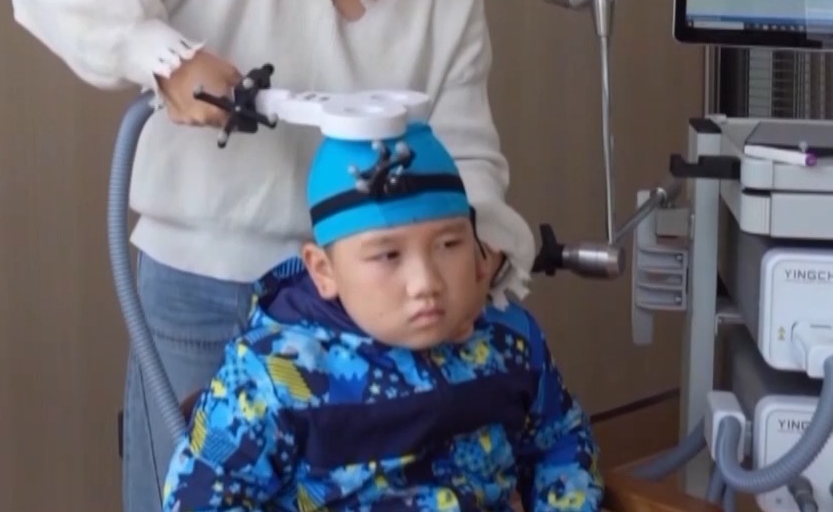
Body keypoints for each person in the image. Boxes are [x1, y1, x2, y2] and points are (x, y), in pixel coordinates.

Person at [2, 0, 538, 512]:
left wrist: (476, 256)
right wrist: (161, 54)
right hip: (198, 297)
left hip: (358, 308)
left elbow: (465, 156)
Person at [160, 123, 600, 511]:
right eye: (388, 255)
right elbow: (202, 500)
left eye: (449, 245)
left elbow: (559, 439)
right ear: (323, 271)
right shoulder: (271, 376)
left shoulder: (509, 341)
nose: (425, 282)